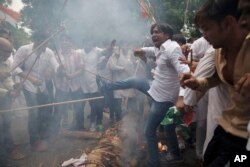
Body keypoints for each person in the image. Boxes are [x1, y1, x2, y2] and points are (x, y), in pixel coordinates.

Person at [97, 23, 190, 167]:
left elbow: (185, 71)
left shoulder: (173, 49)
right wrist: (140, 50)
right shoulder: (160, 48)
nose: (153, 35)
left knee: (149, 131)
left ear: (167, 35)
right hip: (155, 87)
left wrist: (182, 97)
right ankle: (107, 86)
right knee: (135, 81)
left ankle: (154, 162)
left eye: (157, 32)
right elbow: (152, 50)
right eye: (152, 32)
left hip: (163, 98)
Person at [180, 0, 250, 166]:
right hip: (226, 127)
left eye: (206, 28)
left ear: (227, 23)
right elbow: (218, 78)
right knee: (208, 157)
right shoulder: (218, 51)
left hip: (245, 139)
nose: (203, 35)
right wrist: (197, 83)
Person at [12, 31, 59, 152]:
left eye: (47, 42)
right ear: (36, 40)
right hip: (28, 85)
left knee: (46, 109)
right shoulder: (24, 50)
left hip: (42, 86)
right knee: (34, 113)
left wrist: (58, 69)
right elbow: (14, 67)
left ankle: (43, 135)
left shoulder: (48, 52)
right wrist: (31, 78)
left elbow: (55, 65)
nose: (46, 45)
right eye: (43, 42)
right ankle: (34, 141)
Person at [53, 34, 85, 133]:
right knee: (58, 108)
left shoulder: (77, 54)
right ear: (60, 43)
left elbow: (82, 69)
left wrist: (72, 75)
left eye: (67, 40)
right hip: (62, 87)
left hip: (76, 85)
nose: (64, 42)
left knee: (79, 107)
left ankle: (79, 127)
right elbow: (55, 72)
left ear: (71, 42)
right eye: (62, 40)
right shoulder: (56, 55)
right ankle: (55, 130)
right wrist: (60, 71)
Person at [0, 37, 20, 166]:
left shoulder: (6, 62)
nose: (8, 56)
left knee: (6, 124)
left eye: (10, 52)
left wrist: (13, 88)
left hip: (4, 98)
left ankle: (8, 150)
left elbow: (7, 80)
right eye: (6, 52)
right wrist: (6, 92)